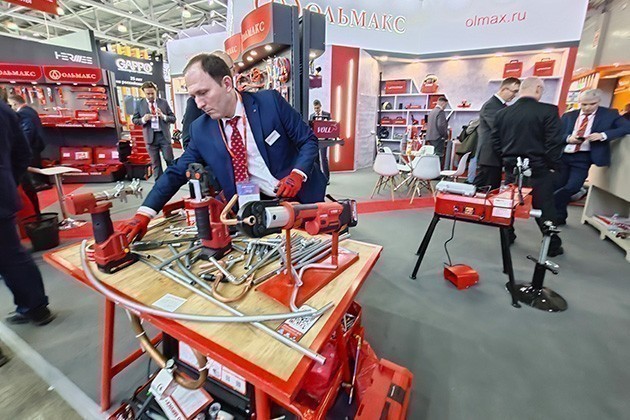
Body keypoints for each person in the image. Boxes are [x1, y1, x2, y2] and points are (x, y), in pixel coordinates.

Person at [119, 53, 326, 242]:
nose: (199, 104)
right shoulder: (201, 130)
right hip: (257, 208)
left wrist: (297, 174)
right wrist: (144, 214)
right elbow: (176, 172)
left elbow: (308, 140)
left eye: (203, 93)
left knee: (315, 251)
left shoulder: (270, 103)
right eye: (194, 96)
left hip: (303, 198)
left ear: (227, 83)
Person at [491, 77, 565, 257]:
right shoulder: (548, 111)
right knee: (545, 207)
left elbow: (495, 142)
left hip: (512, 168)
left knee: (509, 204)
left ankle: (507, 236)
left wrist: (507, 161)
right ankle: (552, 245)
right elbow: (554, 143)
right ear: (538, 89)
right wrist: (552, 165)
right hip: (538, 168)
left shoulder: (502, 114)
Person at [0, 100, 55, 326]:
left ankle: (33, 306)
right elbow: (22, 153)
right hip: (3, 194)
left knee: (11, 256)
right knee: (12, 255)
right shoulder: (5, 111)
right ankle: (35, 307)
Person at [554, 89, 630, 225]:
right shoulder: (569, 115)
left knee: (573, 186)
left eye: (592, 104)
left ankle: (551, 201)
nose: (588, 107)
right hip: (564, 155)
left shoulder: (609, 114)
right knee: (560, 185)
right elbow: (556, 135)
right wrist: (568, 138)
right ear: (579, 103)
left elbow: (626, 127)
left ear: (599, 101)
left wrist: (603, 135)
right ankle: (559, 217)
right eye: (584, 104)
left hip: (584, 157)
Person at [474, 77, 521, 189]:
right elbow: (500, 128)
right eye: (514, 91)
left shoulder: (501, 106)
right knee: (485, 190)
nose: (515, 95)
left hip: (495, 156)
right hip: (489, 157)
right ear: (504, 89)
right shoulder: (491, 105)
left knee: (492, 190)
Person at [182, 51, 235, 150]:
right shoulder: (198, 124)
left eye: (203, 93)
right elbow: (189, 146)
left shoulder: (260, 104)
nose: (199, 104)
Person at [7, 94, 48, 214]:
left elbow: (27, 130)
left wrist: (23, 144)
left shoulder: (23, 113)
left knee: (30, 177)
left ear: (14, 104)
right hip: (34, 146)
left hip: (30, 147)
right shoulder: (30, 111)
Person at [132, 81, 177, 180]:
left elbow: (173, 119)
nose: (151, 96)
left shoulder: (163, 102)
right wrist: (143, 119)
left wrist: (163, 116)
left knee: (169, 159)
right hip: (150, 138)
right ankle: (160, 184)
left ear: (156, 91)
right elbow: (134, 120)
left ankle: (173, 180)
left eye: (152, 93)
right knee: (155, 164)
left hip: (163, 136)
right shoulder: (140, 104)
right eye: (148, 94)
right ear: (144, 93)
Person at [309, 99, 332, 182]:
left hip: (324, 140)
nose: (317, 110)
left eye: (318, 108)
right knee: (316, 159)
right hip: (315, 140)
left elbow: (331, 126)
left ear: (320, 106)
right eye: (315, 108)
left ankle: (326, 178)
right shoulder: (311, 116)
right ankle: (319, 178)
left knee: (323, 158)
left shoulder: (327, 115)